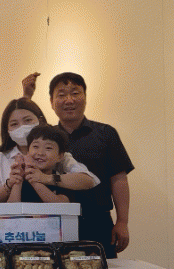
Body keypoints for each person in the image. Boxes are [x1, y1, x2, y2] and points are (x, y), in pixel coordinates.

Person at [48, 72, 134, 258]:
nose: (69, 100)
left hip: (98, 221)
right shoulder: (45, 137)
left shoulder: (106, 133)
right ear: (51, 102)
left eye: (75, 93)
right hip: (54, 223)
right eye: (61, 95)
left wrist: (122, 222)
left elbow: (118, 179)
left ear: (85, 97)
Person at [0, 97, 99, 203]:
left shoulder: (57, 155)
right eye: (14, 124)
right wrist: (12, 182)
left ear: (40, 120)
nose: (22, 127)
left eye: (27, 120)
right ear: (7, 129)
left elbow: (88, 181)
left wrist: (44, 178)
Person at [7, 125, 73, 203]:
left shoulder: (61, 180)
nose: (40, 153)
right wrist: (17, 182)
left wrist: (34, 180)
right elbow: (12, 208)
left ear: (60, 156)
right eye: (35, 146)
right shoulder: (20, 178)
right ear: (28, 152)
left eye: (48, 148)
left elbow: (61, 206)